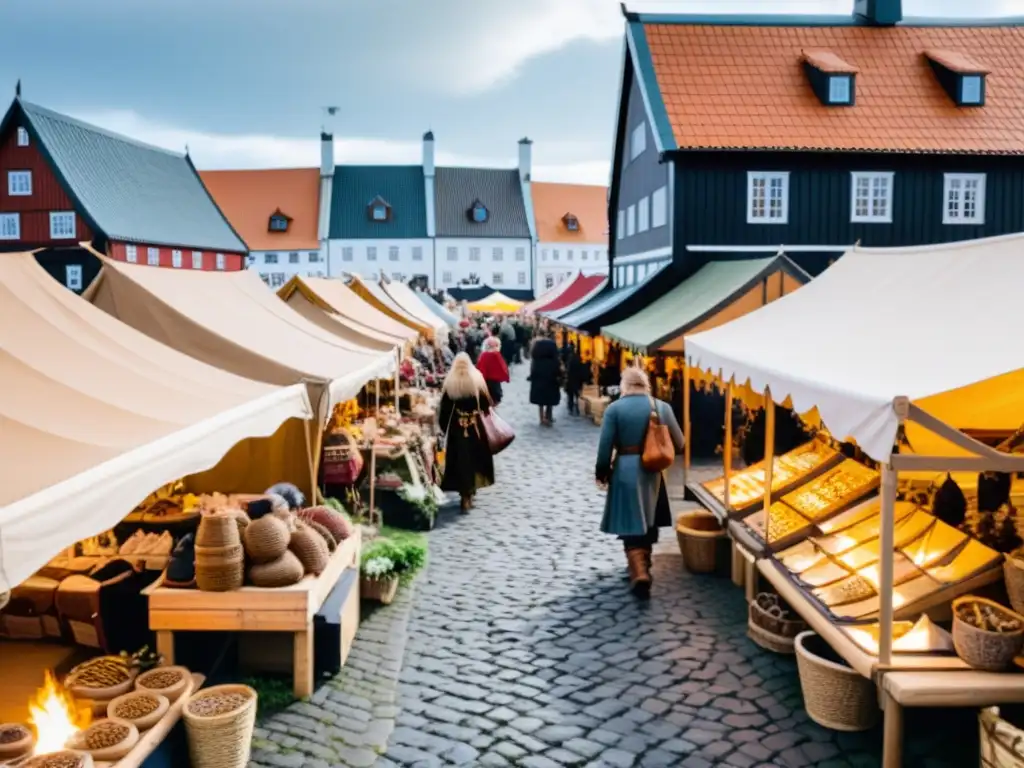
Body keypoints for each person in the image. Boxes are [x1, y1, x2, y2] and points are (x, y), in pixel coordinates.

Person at [595, 367, 685, 598]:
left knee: (630, 520)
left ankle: (639, 571)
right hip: (653, 471)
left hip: (625, 470)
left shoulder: (614, 409)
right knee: (649, 520)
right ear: (646, 384)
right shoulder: (661, 406)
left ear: (625, 385)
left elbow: (605, 446)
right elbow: (680, 442)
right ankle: (642, 565)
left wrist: (601, 471)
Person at [439, 353, 495, 512]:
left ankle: (465, 494)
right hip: (475, 427)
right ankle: (470, 492)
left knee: (460, 461)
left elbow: (445, 410)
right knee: (475, 459)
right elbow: (485, 404)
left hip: (458, 428)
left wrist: (443, 428)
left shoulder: (451, 382)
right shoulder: (477, 379)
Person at [529, 331, 562, 426]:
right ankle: (549, 416)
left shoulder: (536, 361)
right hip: (551, 382)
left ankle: (542, 418)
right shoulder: (554, 361)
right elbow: (557, 371)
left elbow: (533, 372)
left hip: (539, 382)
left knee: (540, 402)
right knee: (549, 400)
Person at [476, 335, 510, 405]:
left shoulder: (483, 355)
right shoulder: (497, 355)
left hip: (486, 383)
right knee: (494, 403)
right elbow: (503, 368)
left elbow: (481, 370)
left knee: (486, 404)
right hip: (495, 384)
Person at [565, 345, 588, 416]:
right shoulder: (579, 359)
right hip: (577, 380)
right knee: (577, 395)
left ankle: (571, 408)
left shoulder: (569, 359)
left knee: (571, 396)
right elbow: (582, 370)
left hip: (570, 380)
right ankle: (578, 408)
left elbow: (567, 370)